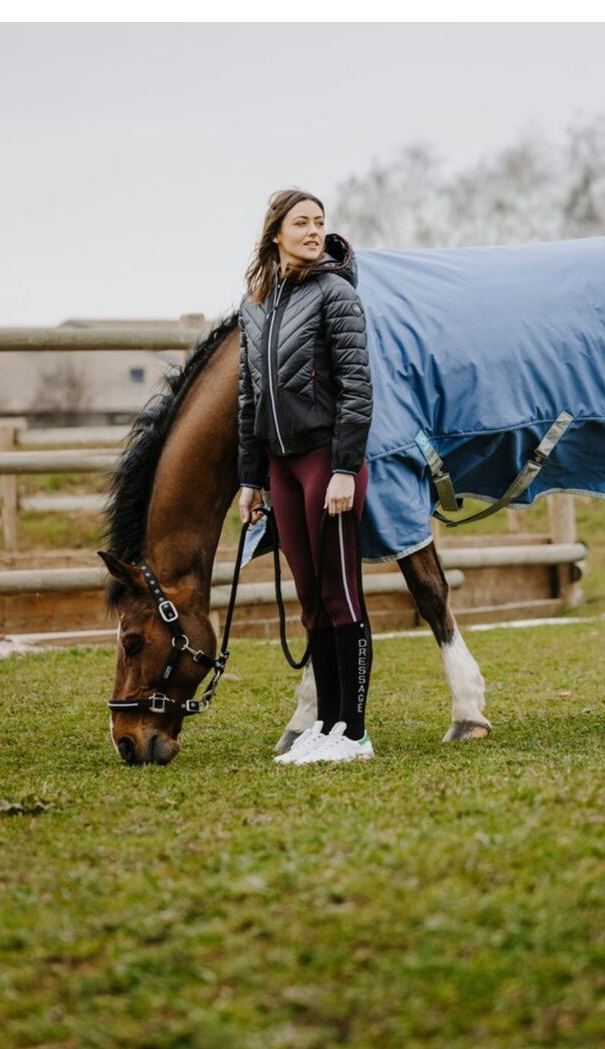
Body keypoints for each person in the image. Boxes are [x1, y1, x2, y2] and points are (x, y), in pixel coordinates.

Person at [237, 189, 374, 765]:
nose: (314, 230)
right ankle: (326, 725)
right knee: (312, 601)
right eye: (302, 223)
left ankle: (354, 734)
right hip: (281, 467)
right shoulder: (256, 304)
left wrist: (344, 469)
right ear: (276, 233)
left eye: (319, 222)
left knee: (341, 595)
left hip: (327, 461)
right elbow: (249, 398)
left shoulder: (335, 293)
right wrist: (251, 480)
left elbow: (357, 388)